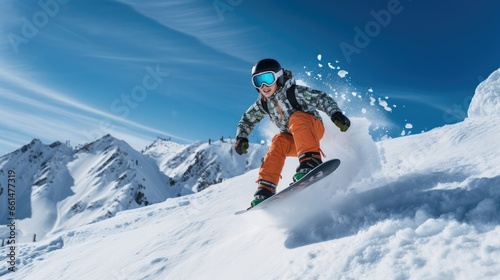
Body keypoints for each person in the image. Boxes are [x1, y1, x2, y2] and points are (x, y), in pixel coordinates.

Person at [234, 58, 351, 207]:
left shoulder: (294, 92)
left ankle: (311, 161)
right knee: (278, 140)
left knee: (296, 117)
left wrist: (335, 114)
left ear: (278, 77)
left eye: (267, 79)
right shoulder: (263, 103)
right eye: (258, 81)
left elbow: (321, 98)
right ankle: (266, 188)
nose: (264, 86)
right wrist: (241, 137)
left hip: (312, 129)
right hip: (295, 140)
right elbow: (247, 119)